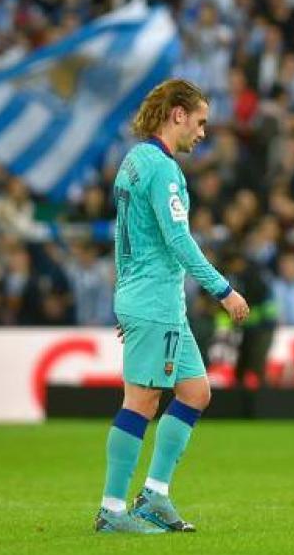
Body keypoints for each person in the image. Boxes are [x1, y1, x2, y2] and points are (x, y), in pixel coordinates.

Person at [95, 79, 249, 534]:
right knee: (142, 402)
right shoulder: (164, 171)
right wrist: (224, 290)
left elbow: (125, 237)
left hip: (152, 301)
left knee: (196, 392)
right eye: (200, 122)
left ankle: (155, 495)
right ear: (177, 114)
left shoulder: (133, 161)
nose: (203, 133)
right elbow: (177, 238)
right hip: (155, 302)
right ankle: (112, 510)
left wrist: (125, 301)